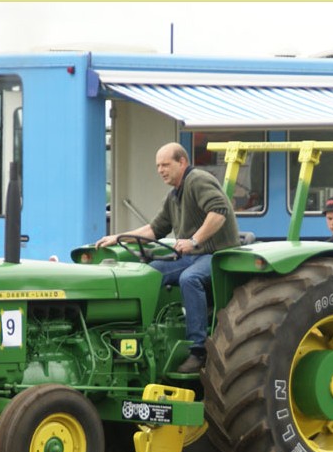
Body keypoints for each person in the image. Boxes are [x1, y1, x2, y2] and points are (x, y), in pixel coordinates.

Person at [95, 142, 240, 373]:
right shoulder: (174, 196)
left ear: (182, 162)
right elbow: (154, 230)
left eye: (165, 165)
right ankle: (146, 335)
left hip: (217, 254)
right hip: (192, 256)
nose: (161, 170)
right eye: (157, 166)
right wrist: (118, 237)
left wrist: (194, 240)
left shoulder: (198, 180)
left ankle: (198, 349)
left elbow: (219, 211)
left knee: (189, 279)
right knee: (150, 273)